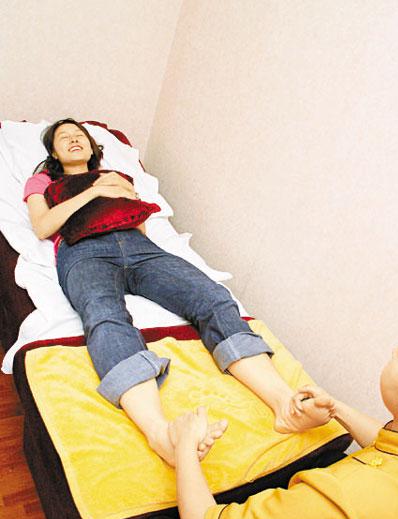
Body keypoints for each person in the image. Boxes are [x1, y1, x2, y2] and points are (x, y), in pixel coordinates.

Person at [24, 118, 332, 465]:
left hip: (138, 248)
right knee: (104, 316)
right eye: (64, 137)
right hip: (84, 252)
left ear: (92, 146)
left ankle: (284, 404)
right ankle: (161, 435)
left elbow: (139, 223)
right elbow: (42, 226)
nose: (74, 139)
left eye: (80, 135)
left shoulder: (117, 176)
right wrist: (95, 191)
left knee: (212, 297)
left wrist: (122, 199)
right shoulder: (43, 182)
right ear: (53, 152)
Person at [125, 310, 398, 519]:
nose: (394, 351)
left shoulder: (344, 503)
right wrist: (336, 407)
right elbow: (389, 444)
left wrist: (184, 445)